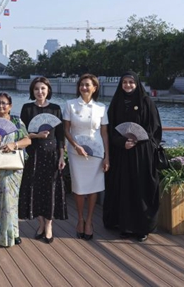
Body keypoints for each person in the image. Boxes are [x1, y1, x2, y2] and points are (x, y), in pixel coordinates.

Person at [103, 71, 163, 242]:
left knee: (140, 188)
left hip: (142, 154)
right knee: (124, 189)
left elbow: (154, 129)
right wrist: (122, 142)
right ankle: (125, 226)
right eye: (124, 82)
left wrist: (139, 141)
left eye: (131, 82)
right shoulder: (116, 103)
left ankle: (142, 227)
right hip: (122, 153)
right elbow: (111, 129)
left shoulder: (146, 102)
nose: (128, 85)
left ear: (137, 84)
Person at [18, 76, 67, 243]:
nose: (40, 92)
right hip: (34, 154)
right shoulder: (27, 108)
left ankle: (49, 226)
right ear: (33, 91)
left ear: (48, 90)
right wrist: (36, 135)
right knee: (35, 189)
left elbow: (60, 136)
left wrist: (61, 156)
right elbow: (22, 134)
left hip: (51, 154)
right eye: (37, 89)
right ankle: (40, 223)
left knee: (50, 189)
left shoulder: (55, 109)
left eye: (43, 89)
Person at [62, 73, 110, 241]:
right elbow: (66, 130)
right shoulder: (70, 105)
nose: (84, 87)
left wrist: (107, 157)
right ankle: (80, 219)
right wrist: (76, 146)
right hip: (76, 151)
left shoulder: (102, 108)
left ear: (94, 88)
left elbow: (104, 134)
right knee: (79, 188)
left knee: (94, 187)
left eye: (87, 85)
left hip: (96, 151)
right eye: (82, 84)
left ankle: (89, 221)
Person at [0, 92, 30, 247]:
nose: (1, 106)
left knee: (11, 201)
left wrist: (13, 145)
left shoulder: (16, 121)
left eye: (4, 103)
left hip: (13, 168)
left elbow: (27, 140)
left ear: (10, 106)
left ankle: (13, 233)